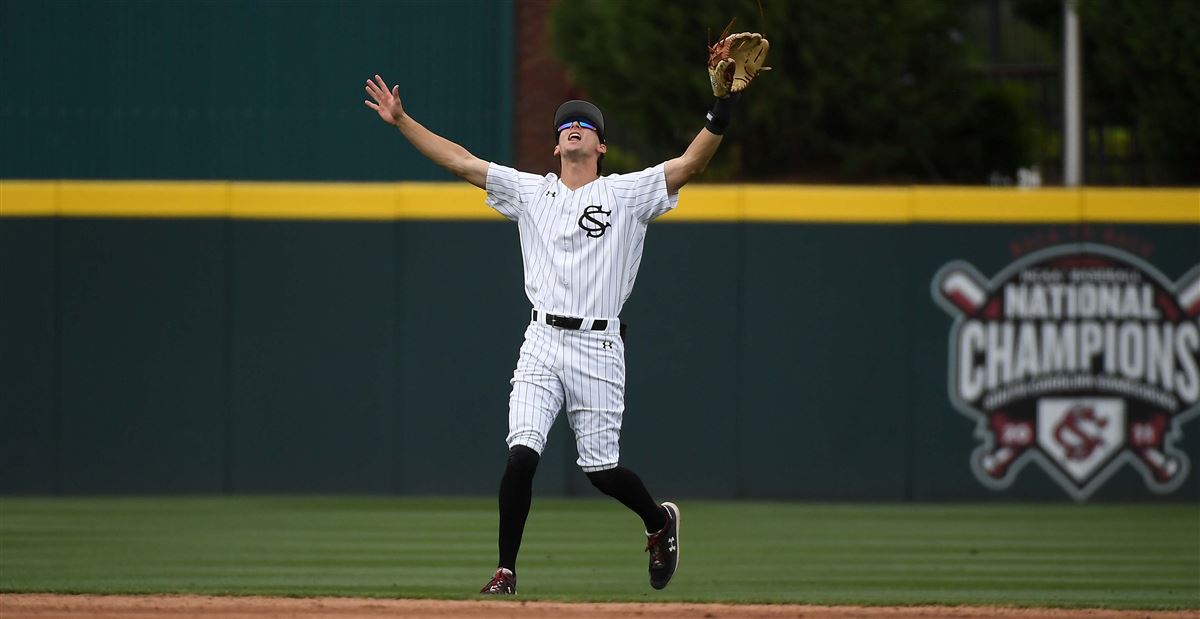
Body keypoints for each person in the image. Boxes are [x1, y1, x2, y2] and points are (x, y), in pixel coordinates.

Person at [364, 73, 739, 595]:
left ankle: (658, 522)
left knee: (601, 470)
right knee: (522, 453)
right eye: (566, 124)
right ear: (557, 144)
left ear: (601, 146)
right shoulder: (530, 192)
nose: (574, 126)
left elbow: (691, 163)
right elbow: (461, 161)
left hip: (599, 344)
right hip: (541, 339)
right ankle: (506, 572)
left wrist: (722, 103)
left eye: (586, 123)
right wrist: (403, 121)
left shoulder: (626, 194)